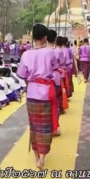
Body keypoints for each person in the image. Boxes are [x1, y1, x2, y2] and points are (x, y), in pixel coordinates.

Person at [17, 24, 59, 170]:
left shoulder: (26, 54)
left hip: (32, 93)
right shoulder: (50, 52)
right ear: (45, 37)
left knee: (34, 125)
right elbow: (54, 68)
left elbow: (21, 74)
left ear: (33, 37)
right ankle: (42, 156)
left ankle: (37, 157)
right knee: (45, 126)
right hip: (46, 93)